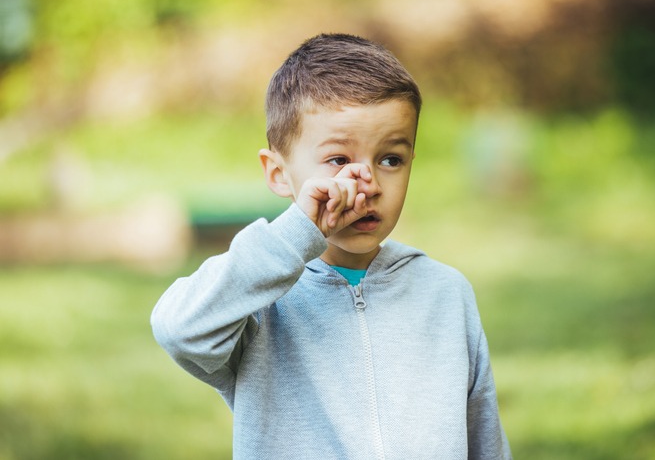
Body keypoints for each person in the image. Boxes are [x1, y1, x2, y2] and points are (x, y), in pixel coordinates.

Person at [151, 33, 512, 459]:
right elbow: (179, 329)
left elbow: (484, 439)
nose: (369, 185)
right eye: (339, 161)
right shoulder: (258, 302)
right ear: (279, 173)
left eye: (391, 159)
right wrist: (296, 234)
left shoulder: (446, 294)